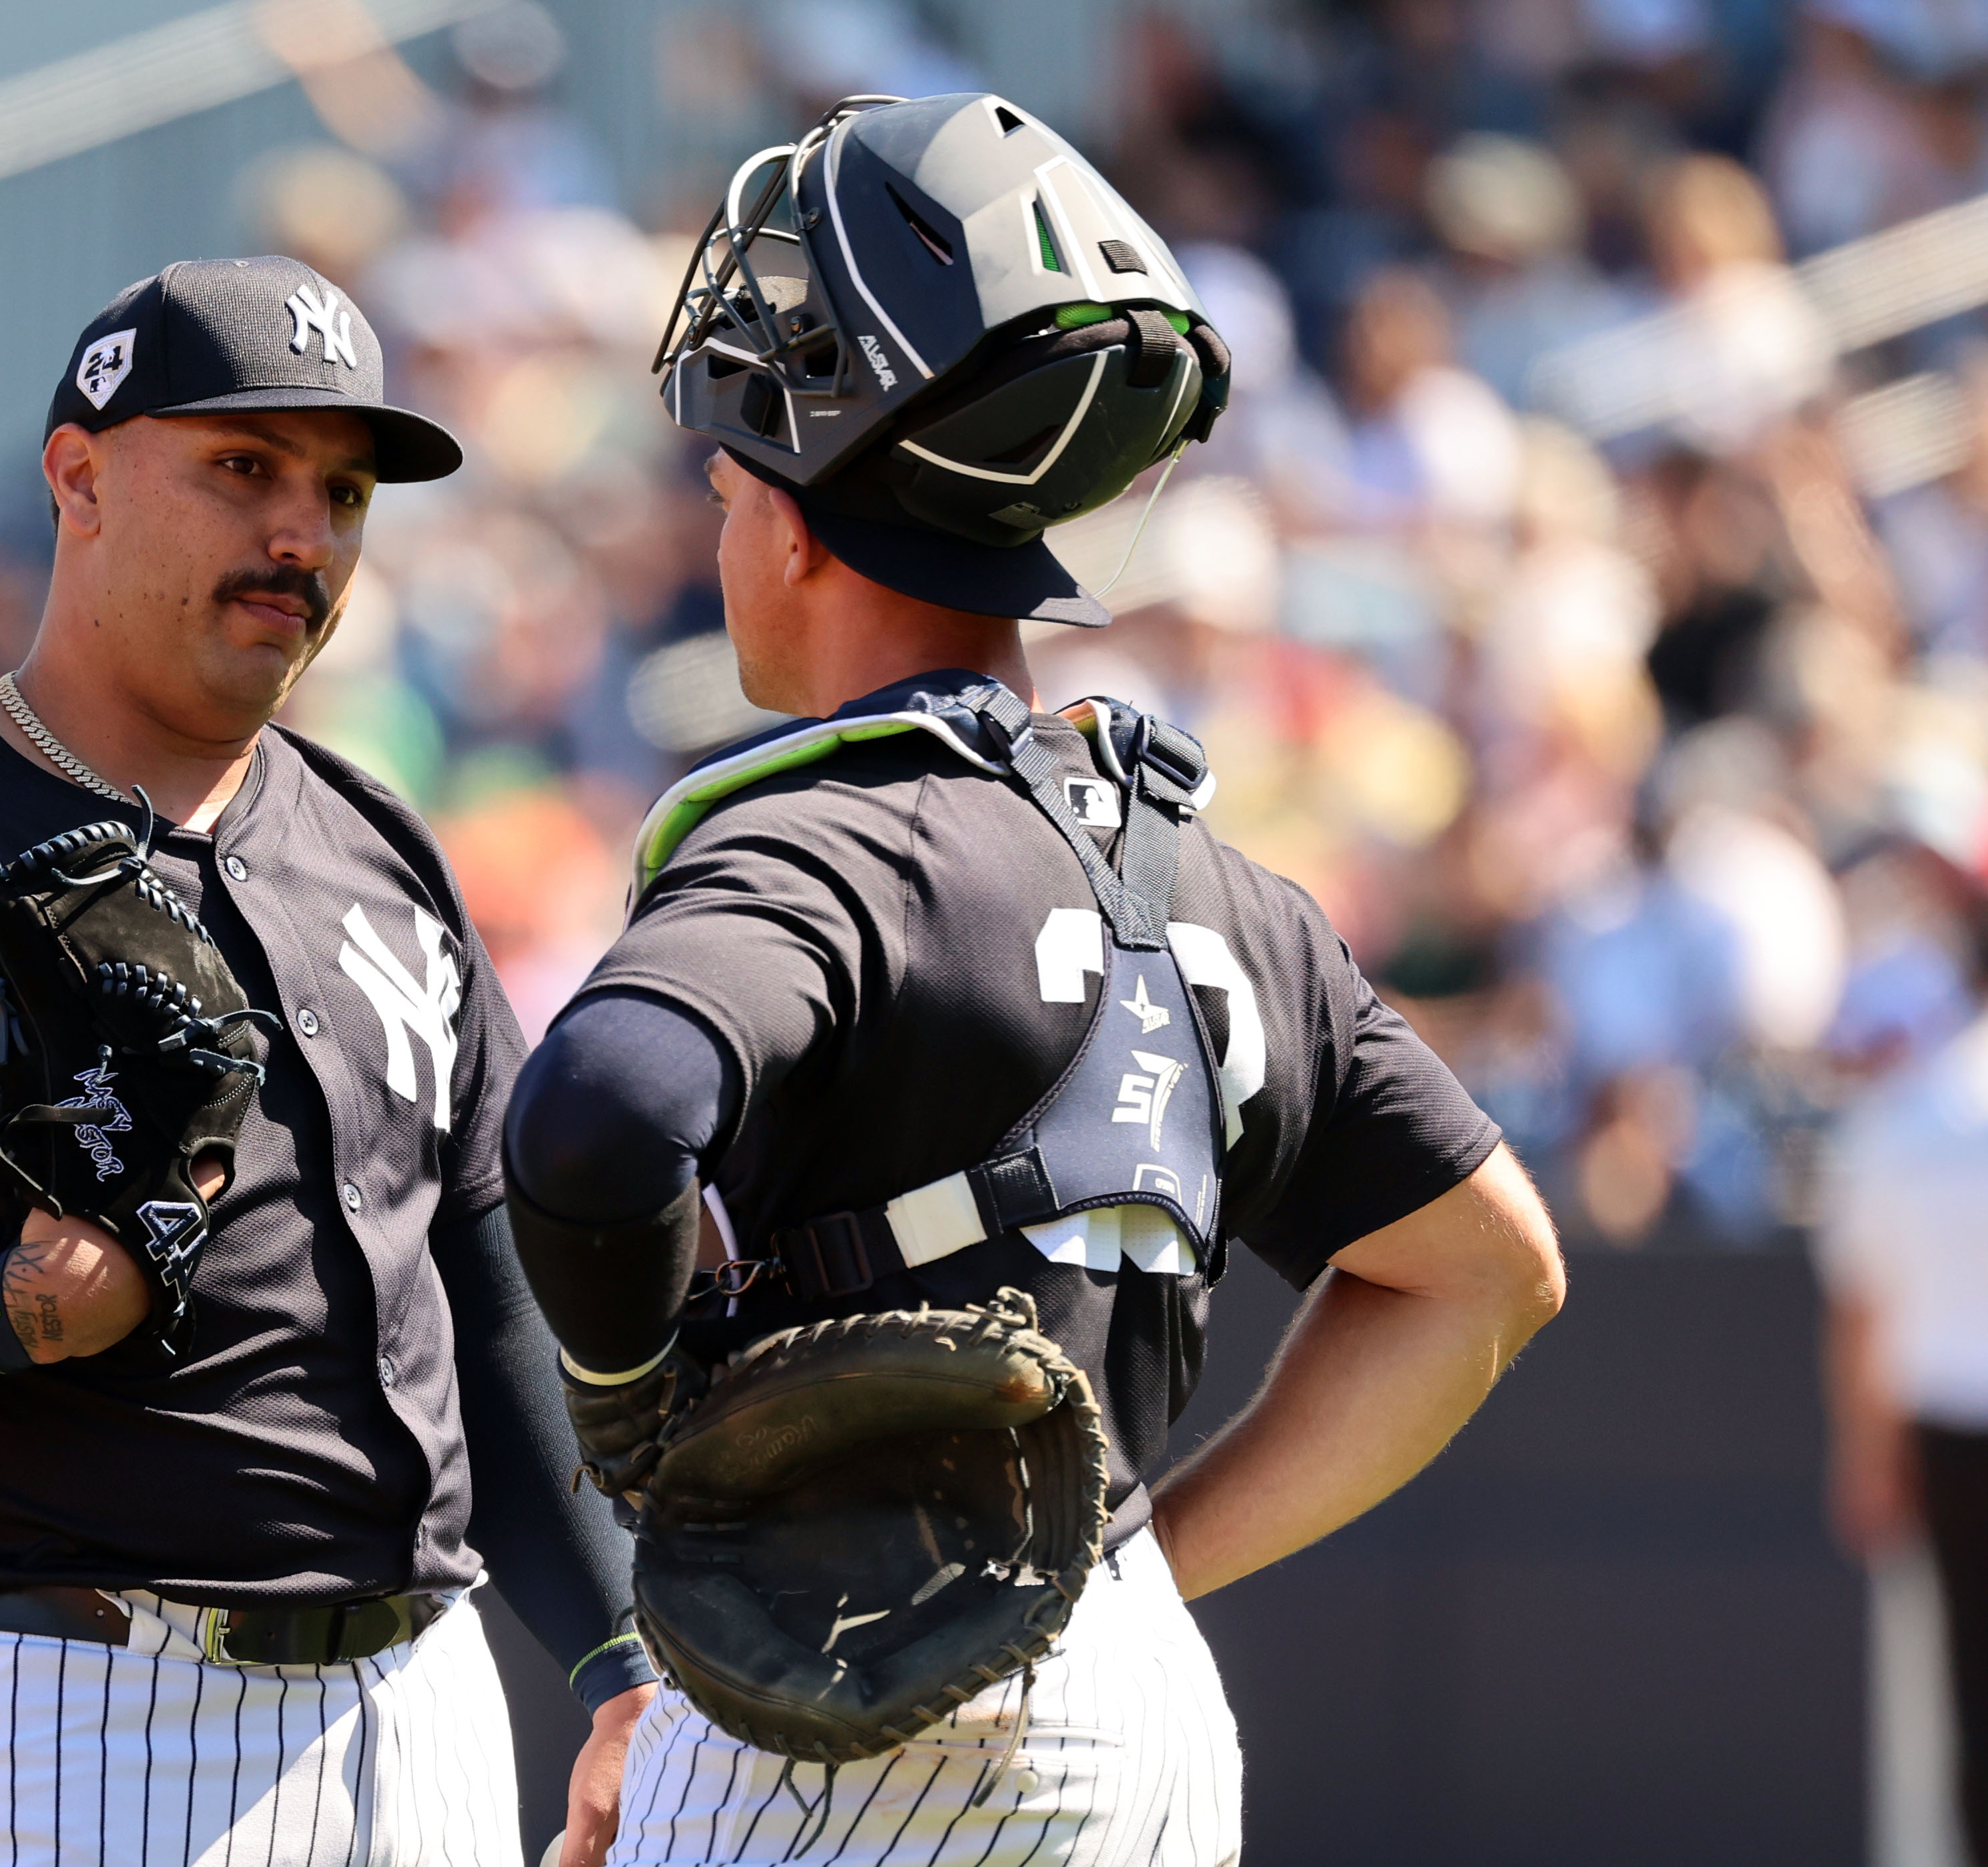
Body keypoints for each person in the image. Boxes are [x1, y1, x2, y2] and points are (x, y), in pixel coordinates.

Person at [505, 95, 1564, 1864]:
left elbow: (600, 1110)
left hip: (853, 1706)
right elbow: (1487, 1270)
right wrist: (1124, 1563)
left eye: (723, 486)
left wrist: (627, 1423)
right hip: (1138, 1717)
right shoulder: (1215, 877)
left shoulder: (827, 839)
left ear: (793, 520)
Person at [0, 256, 654, 1867]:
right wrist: (1, 1307)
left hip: (426, 1706)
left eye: (340, 490)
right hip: (70, 1710)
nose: (302, 537)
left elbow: (484, 1273)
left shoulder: (381, 847)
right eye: (243, 469)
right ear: (78, 478)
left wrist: (615, 1661)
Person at [1818, 895, 1988, 1860]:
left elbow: (1860, 1308)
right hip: (1941, 1426)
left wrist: (1865, 1457)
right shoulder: (1914, 1110)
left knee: (1962, 1692)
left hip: (1945, 1435)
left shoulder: (1915, 1111)